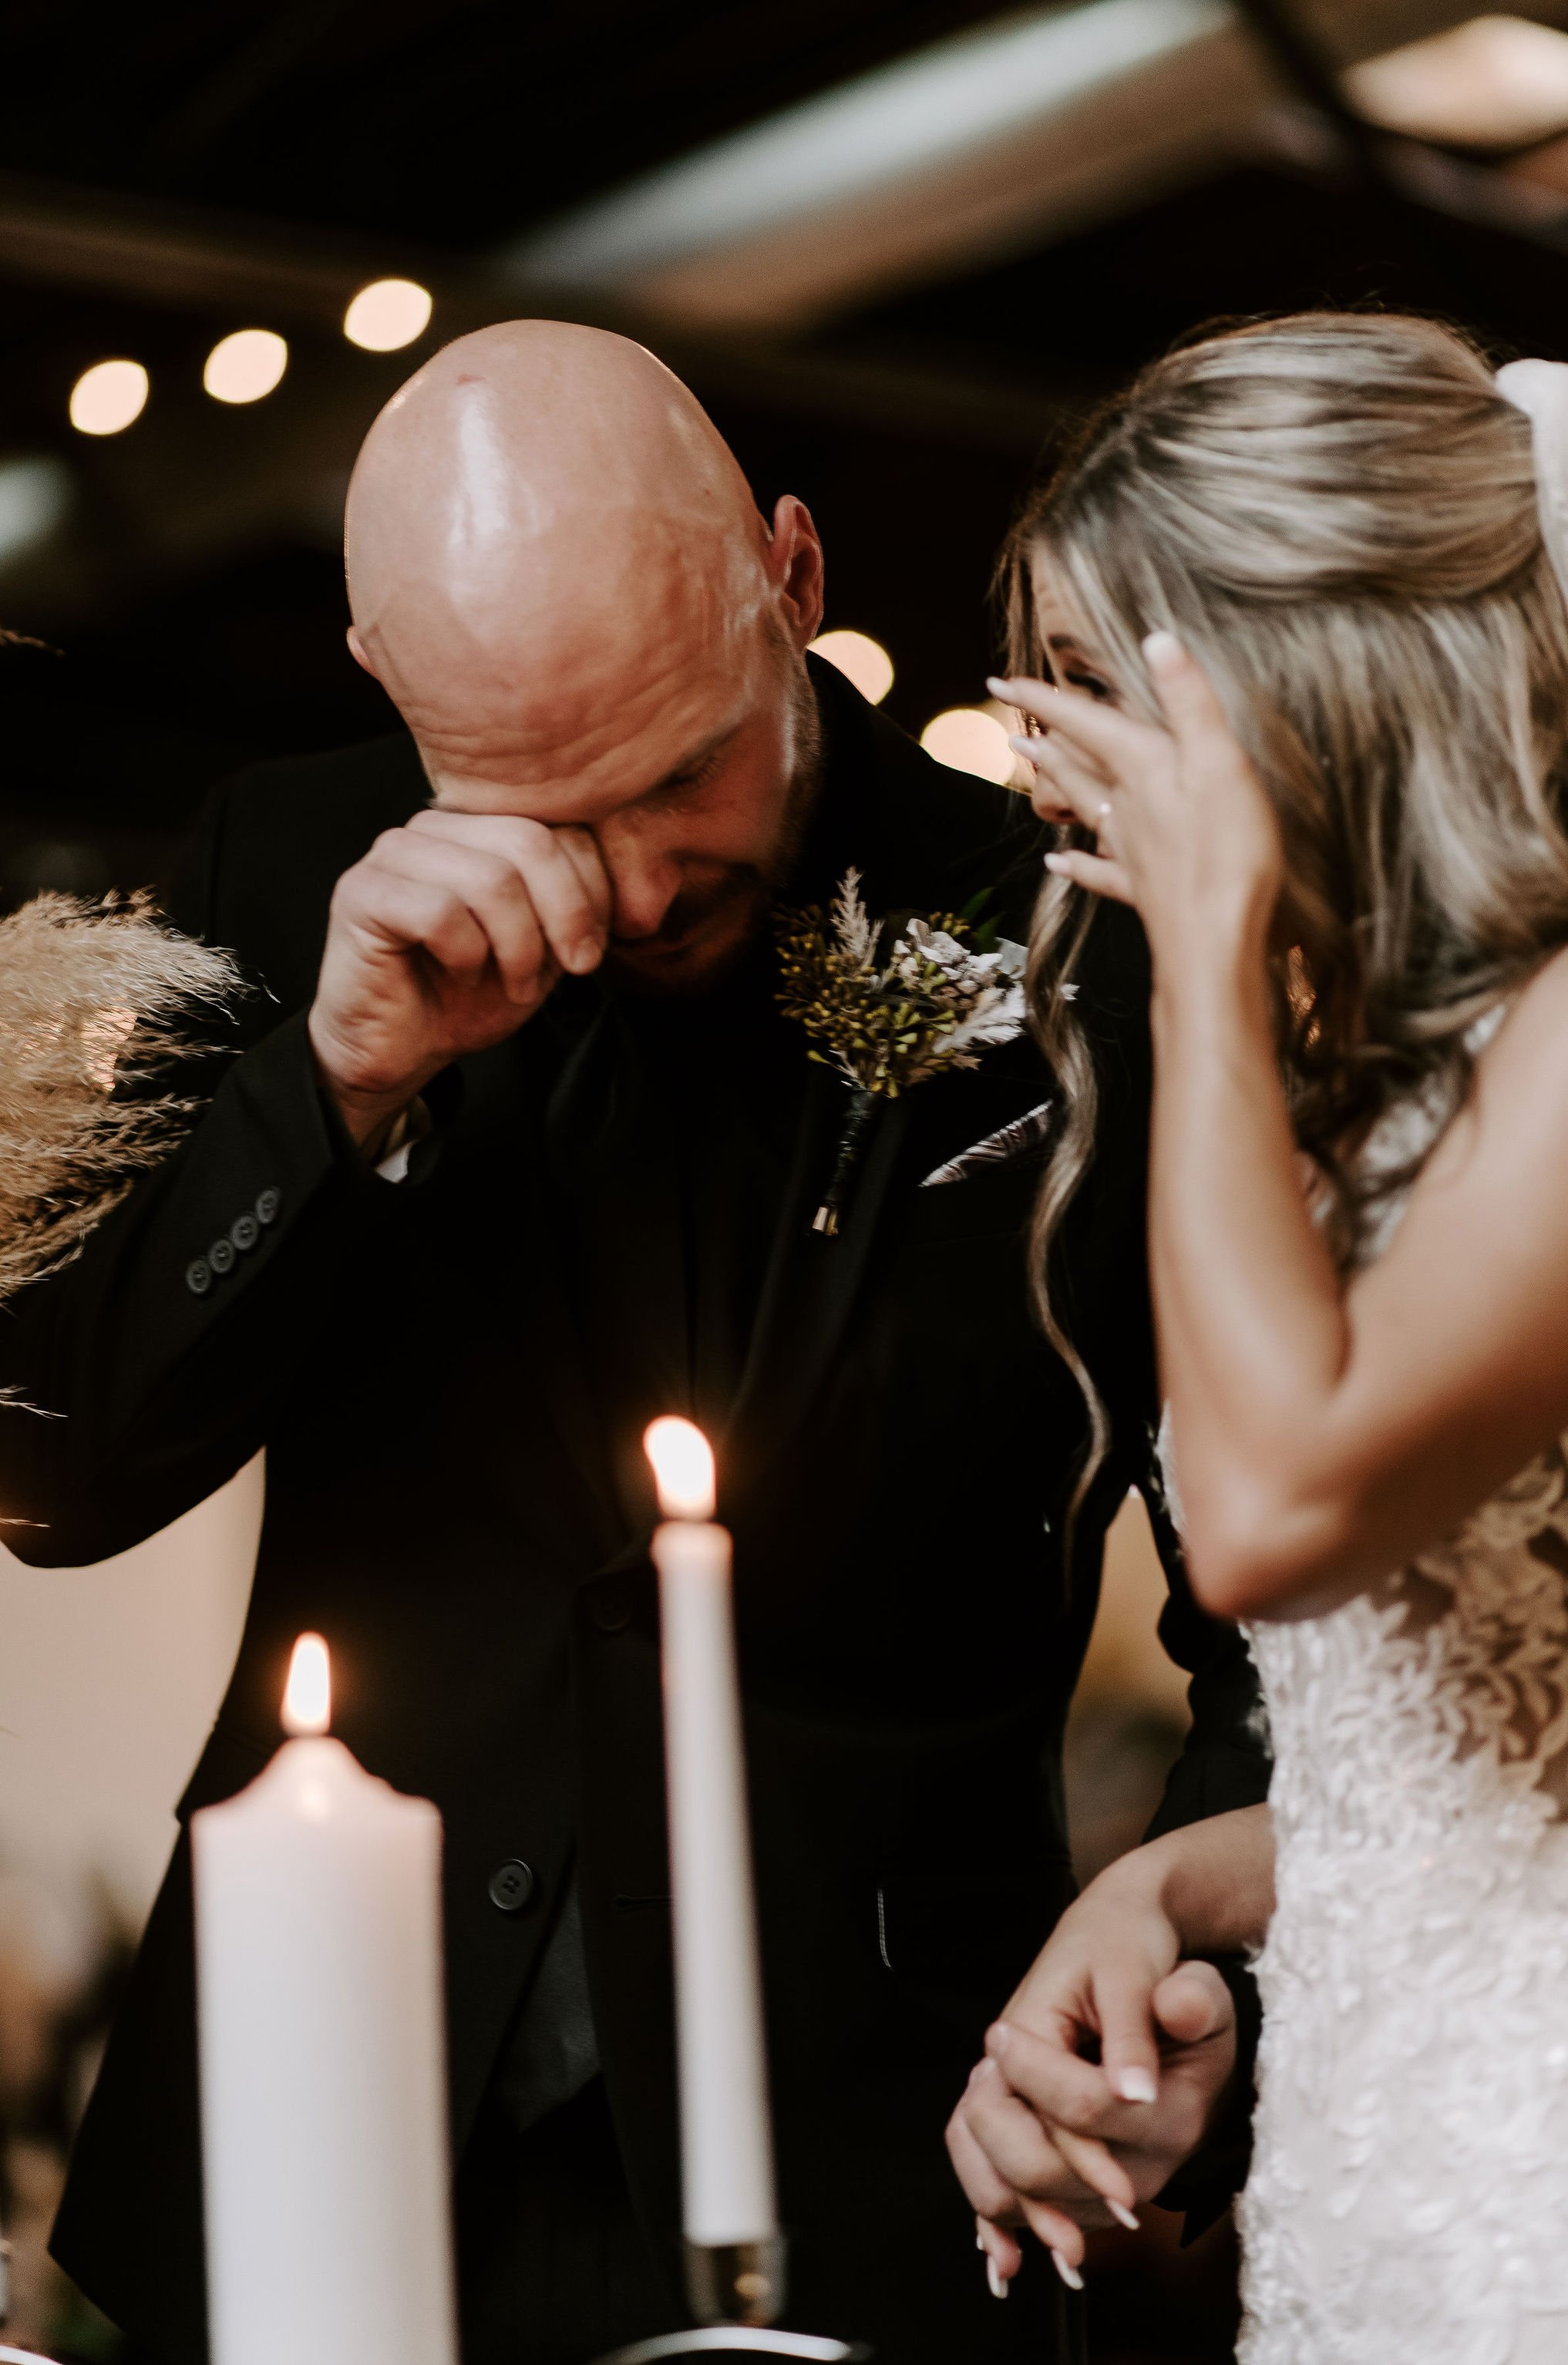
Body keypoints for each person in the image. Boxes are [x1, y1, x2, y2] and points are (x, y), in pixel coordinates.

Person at [0, 321, 1269, 2365]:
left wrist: (1210, 1986)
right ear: (389, 692)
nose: (633, 883)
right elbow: (54, 1466)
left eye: (688, 768)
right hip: (320, 2126)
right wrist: (326, 1084)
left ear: (792, 575)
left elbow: (1289, 1611)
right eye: (540, 808)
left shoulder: (1079, 942)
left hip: (887, 2155)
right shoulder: (277, 860)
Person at [971, 309, 1568, 2360]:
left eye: (1103, 697)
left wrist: (1213, 954)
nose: (1059, 774)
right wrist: (1169, 1888)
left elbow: (1268, 1507)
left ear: (1309, 683)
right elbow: (1490, 1771)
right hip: (1371, 2196)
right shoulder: (1353, 1088)